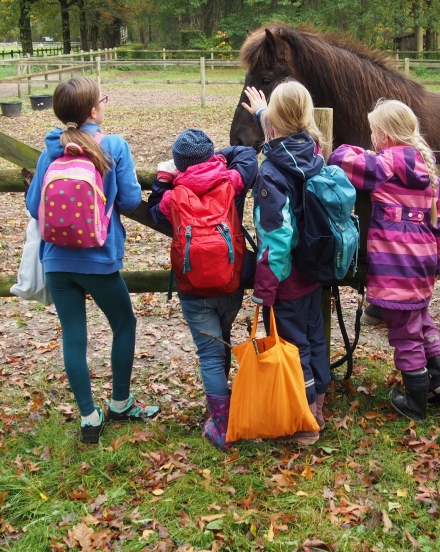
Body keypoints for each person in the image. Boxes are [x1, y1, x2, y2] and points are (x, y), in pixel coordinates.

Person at [26, 77, 159, 444]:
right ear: (93, 110)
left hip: (56, 260)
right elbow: (131, 201)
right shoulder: (113, 145)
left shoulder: (50, 148)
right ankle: (119, 402)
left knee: (74, 336)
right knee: (124, 323)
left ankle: (88, 416)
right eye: (103, 98)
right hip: (99, 259)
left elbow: (32, 205)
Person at [329, 99, 440, 422]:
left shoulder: (384, 165)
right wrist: (439, 261)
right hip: (423, 263)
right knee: (422, 320)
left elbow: (341, 158)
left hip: (397, 266)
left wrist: (357, 149)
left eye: (372, 133)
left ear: (383, 135)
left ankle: (415, 402)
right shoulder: (428, 167)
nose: (371, 139)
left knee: (404, 334)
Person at [146, 129, 258, 449]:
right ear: (211, 157)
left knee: (209, 353)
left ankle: (222, 426)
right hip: (230, 283)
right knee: (222, 339)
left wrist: (166, 178)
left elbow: (154, 209)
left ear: (180, 165)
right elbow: (248, 155)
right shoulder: (231, 183)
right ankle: (228, 407)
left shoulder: (172, 197)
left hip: (193, 289)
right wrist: (217, 158)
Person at [239, 80, 329, 445]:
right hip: (314, 271)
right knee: (315, 339)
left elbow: (275, 237)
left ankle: (305, 422)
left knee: (295, 348)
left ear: (274, 123)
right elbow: (287, 132)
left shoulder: (271, 173)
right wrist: (264, 113)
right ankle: (319, 404)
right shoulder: (315, 150)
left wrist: (265, 289)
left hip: (288, 278)